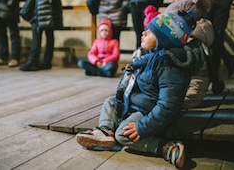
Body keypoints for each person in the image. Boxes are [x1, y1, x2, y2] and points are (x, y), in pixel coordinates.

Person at [76, 10, 202, 169]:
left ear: (164, 39)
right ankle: (105, 131)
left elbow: (168, 106)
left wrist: (142, 126)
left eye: (150, 32)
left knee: (122, 135)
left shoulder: (170, 67)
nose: (143, 33)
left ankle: (164, 147)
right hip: (137, 103)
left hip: (148, 113)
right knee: (110, 102)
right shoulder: (151, 57)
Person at [187, 0, 234, 94]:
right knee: (205, 39)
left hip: (221, 2)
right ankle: (228, 60)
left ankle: (216, 81)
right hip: (203, 3)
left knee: (217, 36)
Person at [165, 0, 215, 107]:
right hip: (184, 97)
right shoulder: (196, 41)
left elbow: (199, 77)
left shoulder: (193, 46)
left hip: (188, 99)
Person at [19, 0, 66, 71]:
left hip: (48, 7)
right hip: (35, 4)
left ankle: (46, 62)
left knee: (49, 33)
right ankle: (32, 62)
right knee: (36, 33)